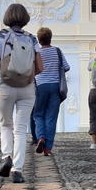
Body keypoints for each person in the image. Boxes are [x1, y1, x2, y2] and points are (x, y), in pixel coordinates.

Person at [0, 4, 43, 183]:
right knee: (20, 129)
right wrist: (27, 78)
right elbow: (40, 67)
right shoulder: (32, 39)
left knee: (6, 125)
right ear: (25, 18)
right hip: (27, 89)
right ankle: (17, 170)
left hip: (4, 86)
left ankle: (6, 157)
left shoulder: (0, 36)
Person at [32, 26, 70, 156]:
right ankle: (48, 148)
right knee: (51, 117)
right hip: (55, 87)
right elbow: (66, 67)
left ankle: (40, 137)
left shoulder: (36, 52)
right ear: (50, 38)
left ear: (39, 40)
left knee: (38, 114)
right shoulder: (57, 52)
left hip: (40, 86)